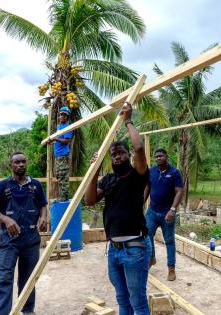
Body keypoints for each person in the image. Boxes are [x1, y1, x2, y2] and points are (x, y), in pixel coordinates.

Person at [85, 102, 151, 315]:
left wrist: (128, 119)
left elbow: (139, 148)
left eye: (121, 152)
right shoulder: (109, 180)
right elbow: (90, 199)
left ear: (128, 156)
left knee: (138, 302)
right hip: (114, 250)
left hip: (135, 248)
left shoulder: (137, 176)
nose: (117, 156)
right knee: (122, 300)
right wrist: (94, 170)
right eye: (113, 155)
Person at [0, 152, 47, 315]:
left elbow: (43, 205)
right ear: (11, 165)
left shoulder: (35, 186)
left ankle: (28, 310)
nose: (20, 165)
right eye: (17, 162)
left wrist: (43, 217)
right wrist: (7, 220)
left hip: (31, 240)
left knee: (28, 278)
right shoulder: (2, 186)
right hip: (9, 242)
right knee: (4, 278)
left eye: (23, 162)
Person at [144, 149, 183, 281]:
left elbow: (179, 191)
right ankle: (151, 258)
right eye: (156, 156)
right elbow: (148, 187)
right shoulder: (152, 171)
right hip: (152, 211)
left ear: (167, 156)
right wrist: (141, 202)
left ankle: (171, 269)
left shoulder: (174, 173)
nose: (158, 158)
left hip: (168, 213)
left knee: (169, 241)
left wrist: (172, 209)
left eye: (161, 156)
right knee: (146, 235)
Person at [49, 106, 73, 201]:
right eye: (60, 114)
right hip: (58, 155)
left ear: (67, 117)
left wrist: (56, 139)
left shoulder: (67, 127)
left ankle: (64, 196)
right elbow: (59, 140)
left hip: (63, 155)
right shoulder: (59, 128)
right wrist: (53, 141)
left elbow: (66, 141)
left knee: (63, 175)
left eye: (64, 115)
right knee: (58, 175)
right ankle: (62, 195)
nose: (61, 116)